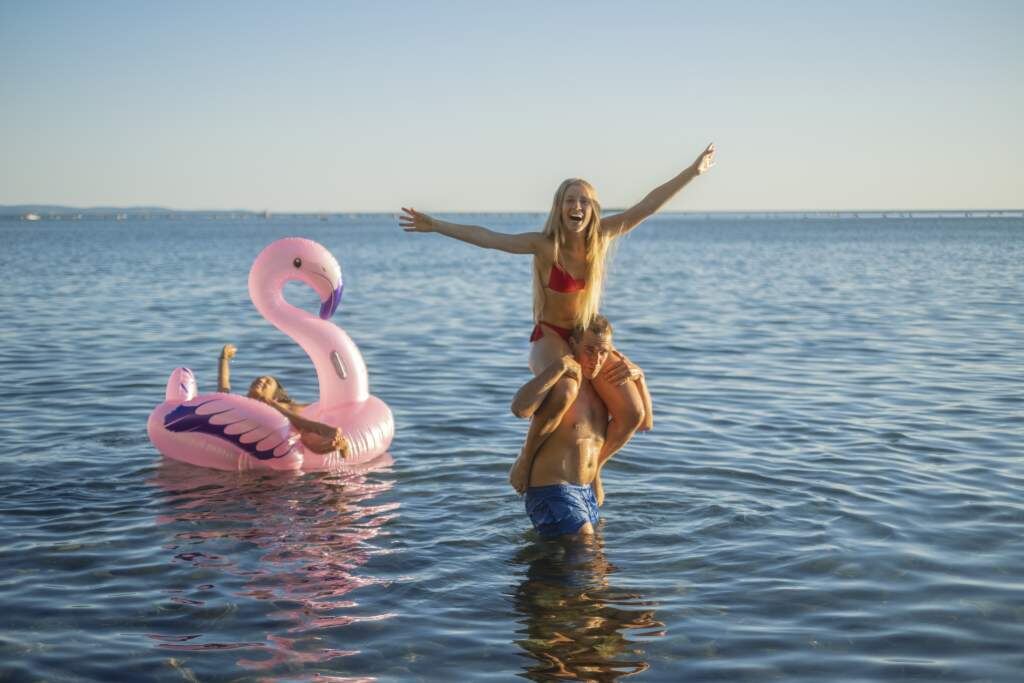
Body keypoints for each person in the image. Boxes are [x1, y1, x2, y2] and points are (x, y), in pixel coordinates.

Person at [400, 144, 714, 504]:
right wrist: (436, 225)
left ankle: (595, 469)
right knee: (565, 390)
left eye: (584, 201)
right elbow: (489, 238)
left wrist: (693, 171)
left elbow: (648, 204)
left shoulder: (602, 237)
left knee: (632, 412)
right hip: (550, 336)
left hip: (585, 337)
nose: (576, 206)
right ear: (559, 207)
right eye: (570, 200)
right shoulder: (544, 246)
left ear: (592, 209)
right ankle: (524, 460)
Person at [507, 316, 652, 539]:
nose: (596, 359)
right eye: (589, 350)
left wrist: (640, 378)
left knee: (594, 558)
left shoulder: (602, 393)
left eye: (603, 352)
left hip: (585, 492)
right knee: (586, 551)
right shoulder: (566, 382)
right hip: (553, 489)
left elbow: (643, 423)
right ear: (573, 344)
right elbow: (519, 408)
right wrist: (558, 366)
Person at [217, 343, 349, 457]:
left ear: (275, 396)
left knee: (304, 436)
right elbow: (223, 389)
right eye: (258, 379)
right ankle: (327, 434)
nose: (261, 380)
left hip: (286, 432)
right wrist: (223, 359)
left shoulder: (281, 406)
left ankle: (335, 444)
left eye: (267, 382)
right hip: (253, 439)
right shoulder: (241, 404)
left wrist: (267, 402)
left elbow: (313, 408)